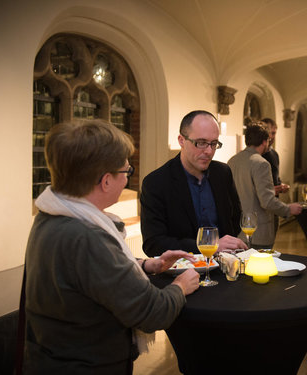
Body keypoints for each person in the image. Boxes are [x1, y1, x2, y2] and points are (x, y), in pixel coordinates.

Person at [22, 120, 200, 374]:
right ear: (106, 181)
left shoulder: (52, 215)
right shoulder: (87, 237)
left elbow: (87, 276)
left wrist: (146, 265)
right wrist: (180, 286)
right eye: (127, 171)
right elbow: (152, 312)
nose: (127, 177)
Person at [141, 110, 247, 257]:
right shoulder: (156, 182)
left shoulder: (222, 173)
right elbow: (153, 244)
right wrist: (210, 246)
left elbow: (234, 218)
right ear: (181, 140)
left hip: (223, 268)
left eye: (214, 144)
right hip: (181, 271)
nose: (209, 151)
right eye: (201, 143)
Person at [228, 122, 303, 248]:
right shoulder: (261, 163)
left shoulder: (232, 161)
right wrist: (288, 209)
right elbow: (267, 201)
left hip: (238, 229)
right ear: (264, 141)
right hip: (258, 232)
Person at [261, 118, 290, 196]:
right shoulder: (257, 155)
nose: (270, 137)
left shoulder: (274, 154)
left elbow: (275, 177)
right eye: (268, 133)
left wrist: (281, 185)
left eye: (273, 133)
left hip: (273, 201)